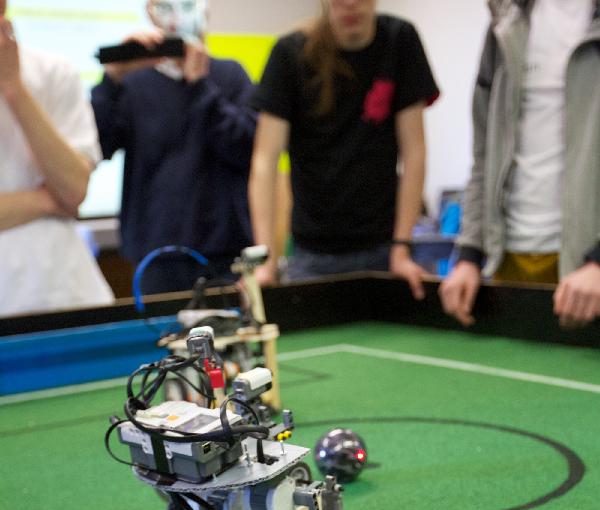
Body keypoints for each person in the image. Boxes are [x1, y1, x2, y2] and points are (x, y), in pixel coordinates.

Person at [249, 0, 439, 296]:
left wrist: (402, 248)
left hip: (383, 250)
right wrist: (266, 261)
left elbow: (414, 151)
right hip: (311, 256)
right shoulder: (290, 53)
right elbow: (264, 161)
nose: (350, 4)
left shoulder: (400, 40)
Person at [440, 0, 600, 328]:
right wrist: (469, 254)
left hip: (587, 273)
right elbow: (485, 153)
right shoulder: (504, 21)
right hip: (506, 261)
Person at [91, 0, 256, 294]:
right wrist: (112, 79)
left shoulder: (230, 76)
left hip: (222, 254)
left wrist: (199, 86)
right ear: (151, 12)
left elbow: (245, 147)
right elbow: (96, 147)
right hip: (155, 255)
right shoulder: (135, 84)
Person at [0, 1, 114, 317]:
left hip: (67, 294)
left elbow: (74, 189)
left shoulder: (52, 71)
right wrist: (48, 201)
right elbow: (64, 196)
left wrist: (14, 88)